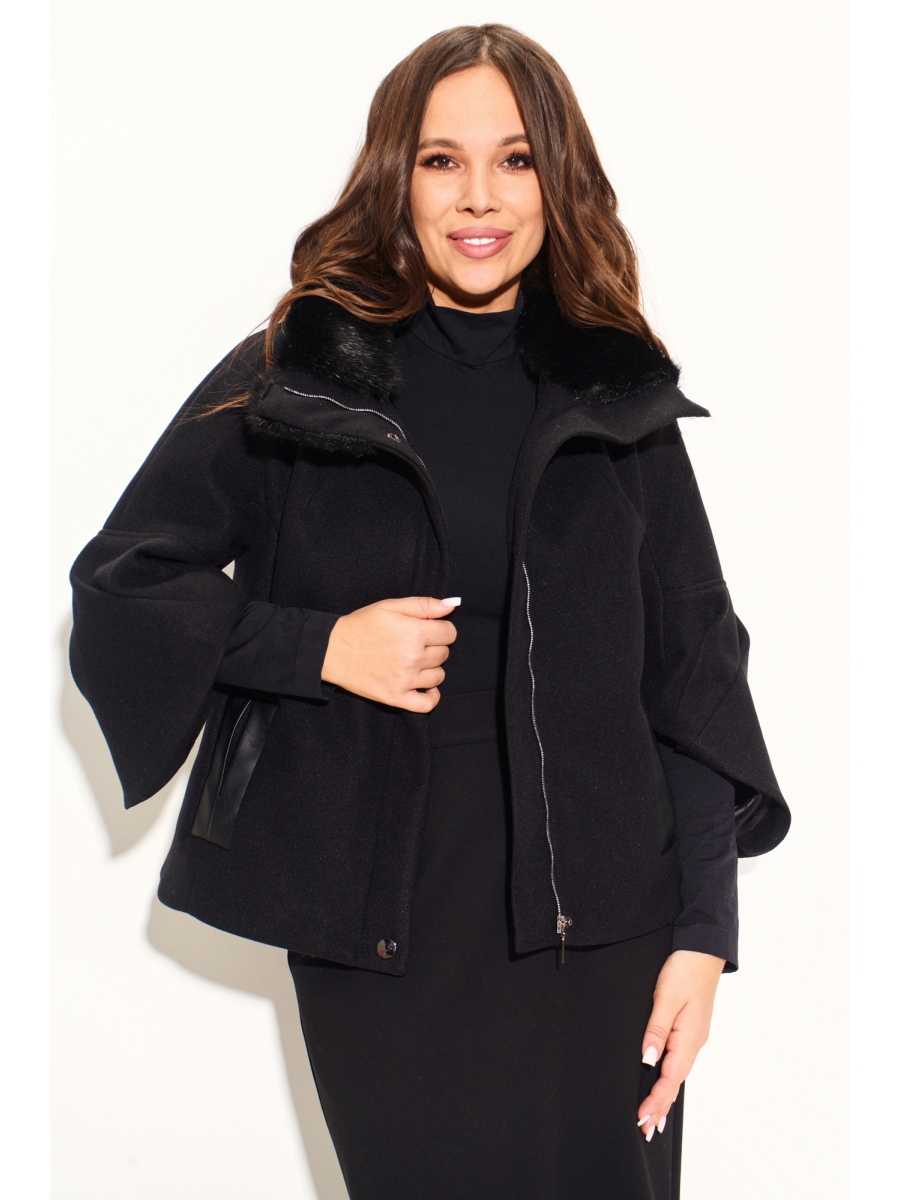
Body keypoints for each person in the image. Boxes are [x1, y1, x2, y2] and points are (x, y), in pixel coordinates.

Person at [69, 23, 789, 1200]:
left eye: (516, 159)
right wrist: (321, 646)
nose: (479, 197)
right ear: (395, 178)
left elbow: (695, 673)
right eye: (442, 160)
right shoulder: (297, 375)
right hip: (380, 928)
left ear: (558, 180)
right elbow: (125, 584)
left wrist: (705, 933)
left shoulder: (614, 393)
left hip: (607, 926)